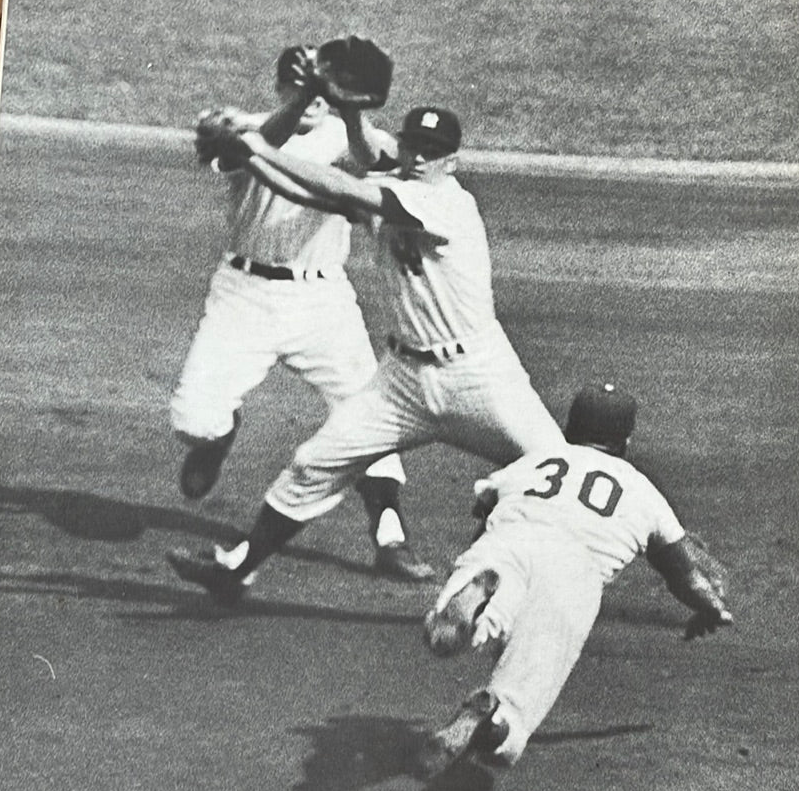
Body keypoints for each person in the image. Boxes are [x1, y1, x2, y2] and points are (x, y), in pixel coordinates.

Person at [166, 101, 566, 603]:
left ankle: (666, 554)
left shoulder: (446, 204)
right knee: (314, 464)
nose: (420, 157)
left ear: (453, 161)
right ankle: (238, 569)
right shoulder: (398, 188)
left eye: (434, 152)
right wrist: (254, 161)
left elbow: (344, 186)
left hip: (478, 375)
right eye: (415, 146)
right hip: (401, 382)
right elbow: (310, 192)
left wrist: (255, 145)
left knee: (560, 469)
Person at [171, 45, 432, 582]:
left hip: (322, 302)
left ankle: (389, 535)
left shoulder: (345, 134)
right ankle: (219, 436)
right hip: (243, 296)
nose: (314, 95)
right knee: (193, 419)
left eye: (325, 83)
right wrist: (310, 90)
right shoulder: (244, 127)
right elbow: (259, 142)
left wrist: (349, 107)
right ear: (281, 86)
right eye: (300, 82)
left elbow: (375, 160)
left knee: (368, 414)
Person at [417, 383, 734, 779]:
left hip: (509, 539)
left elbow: (485, 513)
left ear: (570, 427)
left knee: (483, 607)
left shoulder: (537, 460)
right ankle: (496, 718)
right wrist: (711, 609)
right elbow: (686, 575)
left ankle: (474, 606)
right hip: (574, 571)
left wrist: (473, 561)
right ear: (626, 440)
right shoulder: (641, 490)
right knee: (524, 690)